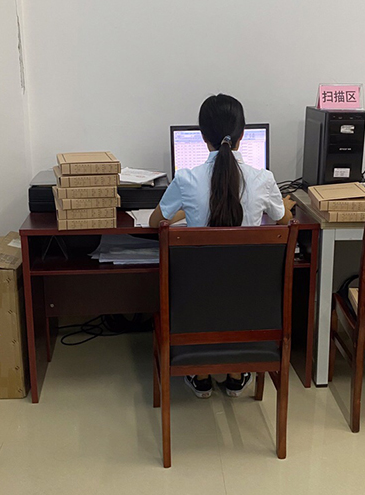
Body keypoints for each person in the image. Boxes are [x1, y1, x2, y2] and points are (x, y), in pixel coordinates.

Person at [149, 93, 295, 398]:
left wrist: (185, 211)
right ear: (242, 136)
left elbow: (154, 222)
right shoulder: (263, 179)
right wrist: (285, 204)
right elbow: (284, 220)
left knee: (204, 286)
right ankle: (236, 374)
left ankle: (200, 374)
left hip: (195, 309)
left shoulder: (186, 179)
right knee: (238, 284)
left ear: (203, 138)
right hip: (251, 307)